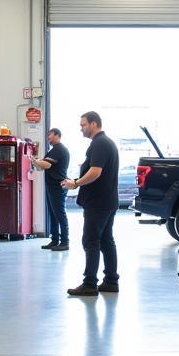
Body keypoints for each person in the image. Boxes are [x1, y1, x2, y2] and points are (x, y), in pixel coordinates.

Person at [62, 112, 120, 297]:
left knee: (91, 241)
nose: (81, 128)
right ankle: (111, 281)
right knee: (106, 241)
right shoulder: (107, 142)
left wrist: (76, 183)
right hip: (108, 201)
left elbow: (95, 172)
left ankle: (89, 284)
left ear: (94, 124)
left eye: (83, 124)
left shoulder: (99, 143)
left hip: (98, 203)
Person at [30, 127, 70, 251]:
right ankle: (54, 240)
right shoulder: (54, 150)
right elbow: (42, 166)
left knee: (59, 214)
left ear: (57, 135)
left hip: (57, 186)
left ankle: (64, 242)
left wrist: (34, 160)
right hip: (52, 186)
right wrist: (36, 162)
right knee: (53, 215)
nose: (48, 138)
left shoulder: (58, 150)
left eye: (50, 135)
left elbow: (46, 165)